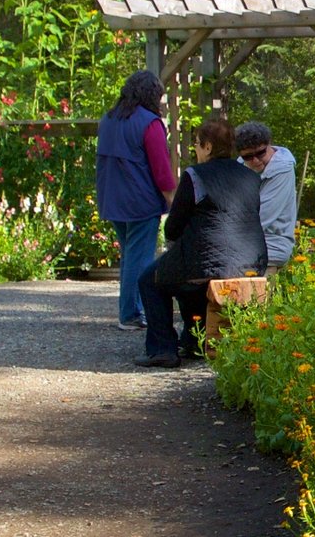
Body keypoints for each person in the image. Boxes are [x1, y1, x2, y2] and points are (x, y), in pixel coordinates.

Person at [136, 115, 266, 369]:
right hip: (252, 259)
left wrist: (175, 242)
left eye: (197, 143)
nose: (195, 148)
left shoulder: (196, 176)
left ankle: (162, 349)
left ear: (207, 147)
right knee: (184, 273)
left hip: (207, 261)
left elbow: (174, 225)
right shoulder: (250, 176)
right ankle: (194, 341)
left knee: (151, 279)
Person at [94, 71, 175, 330]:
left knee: (129, 256)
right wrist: (173, 199)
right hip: (140, 202)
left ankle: (129, 309)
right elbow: (161, 169)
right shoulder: (149, 124)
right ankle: (130, 314)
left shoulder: (108, 119)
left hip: (112, 199)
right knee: (140, 260)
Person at [234, 121, 296, 274]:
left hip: (272, 245)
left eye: (260, 153)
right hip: (243, 244)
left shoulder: (282, 170)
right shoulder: (240, 167)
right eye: (248, 156)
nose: (255, 160)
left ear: (269, 144)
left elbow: (264, 217)